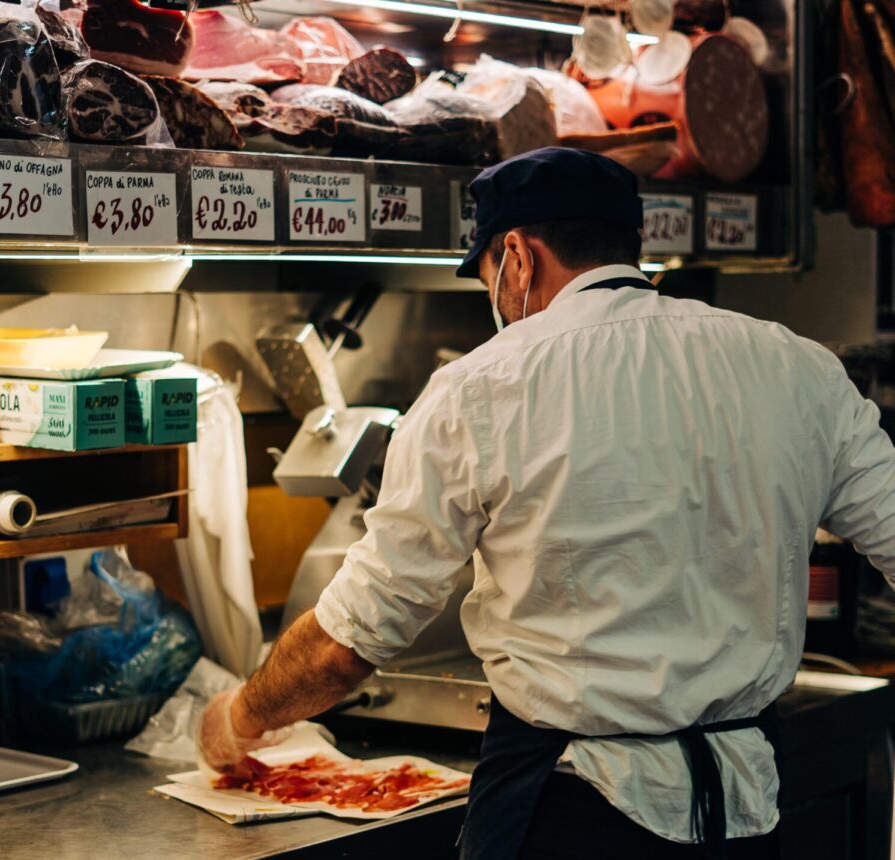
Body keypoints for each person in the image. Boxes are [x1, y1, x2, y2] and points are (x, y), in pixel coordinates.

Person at [198, 148, 895, 859]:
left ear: (518, 258)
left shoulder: (479, 388)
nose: (497, 304)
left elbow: (351, 641)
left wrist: (242, 713)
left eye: (488, 282)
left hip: (565, 807)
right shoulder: (797, 366)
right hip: (742, 810)